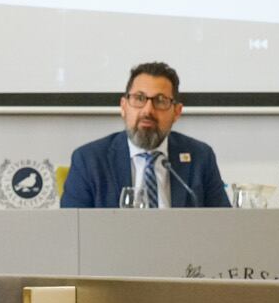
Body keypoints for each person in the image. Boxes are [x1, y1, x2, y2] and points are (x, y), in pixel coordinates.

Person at [61, 61, 232, 208]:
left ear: (177, 112)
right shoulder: (89, 160)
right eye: (139, 98)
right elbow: (73, 232)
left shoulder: (200, 157)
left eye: (160, 101)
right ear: (123, 106)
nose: (148, 110)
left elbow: (223, 226)